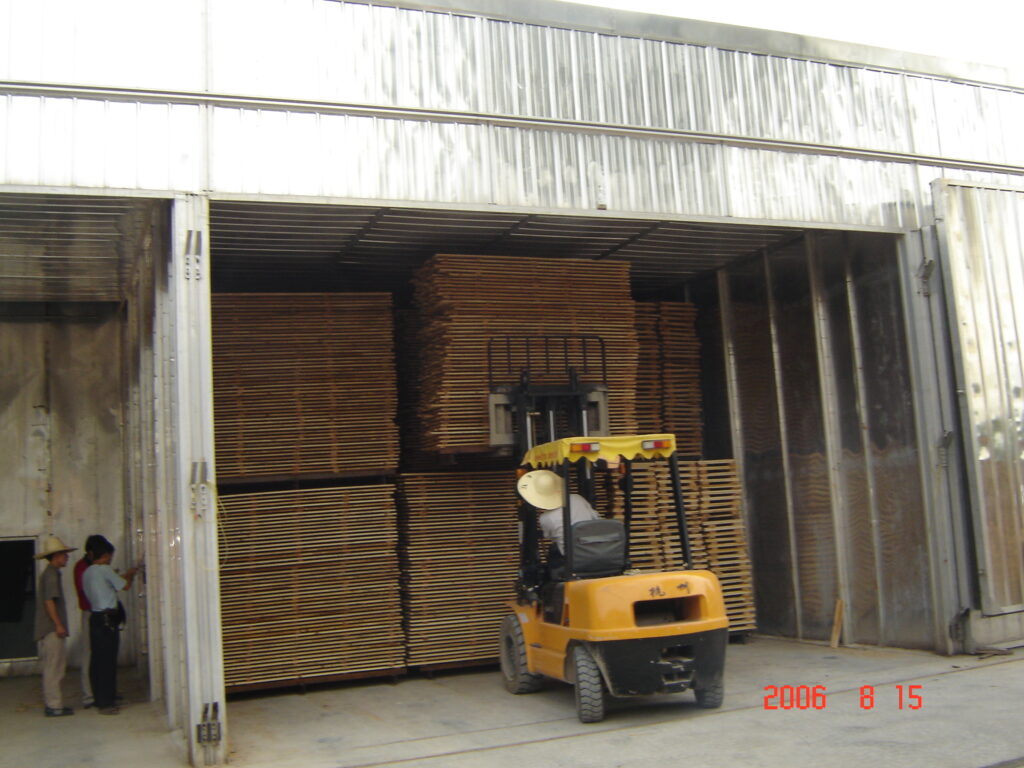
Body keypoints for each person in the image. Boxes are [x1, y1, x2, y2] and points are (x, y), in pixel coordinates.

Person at [81, 539, 141, 716]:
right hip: (107, 620)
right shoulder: (105, 570)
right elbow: (125, 585)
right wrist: (130, 574)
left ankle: (100, 698)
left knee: (98, 661)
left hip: (95, 618)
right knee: (108, 661)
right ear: (106, 555)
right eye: (110, 556)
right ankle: (107, 702)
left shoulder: (87, 572)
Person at [34, 534, 77, 717]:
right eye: (64, 554)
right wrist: (58, 624)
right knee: (54, 668)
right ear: (56, 556)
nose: (66, 557)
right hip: (51, 628)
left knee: (54, 666)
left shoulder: (50, 574)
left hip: (50, 628)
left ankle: (54, 704)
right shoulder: (51, 575)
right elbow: (49, 601)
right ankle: (54, 705)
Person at [516, 469, 600, 559]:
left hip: (572, 557)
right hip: (596, 548)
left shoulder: (546, 518)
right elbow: (595, 517)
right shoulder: (578, 498)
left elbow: (549, 536)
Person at [73, 535, 109, 709]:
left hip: (98, 612)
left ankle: (102, 691)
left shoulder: (92, 567)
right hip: (90, 612)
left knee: (101, 654)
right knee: (88, 654)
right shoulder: (82, 568)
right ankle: (89, 695)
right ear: (91, 553)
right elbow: (87, 590)